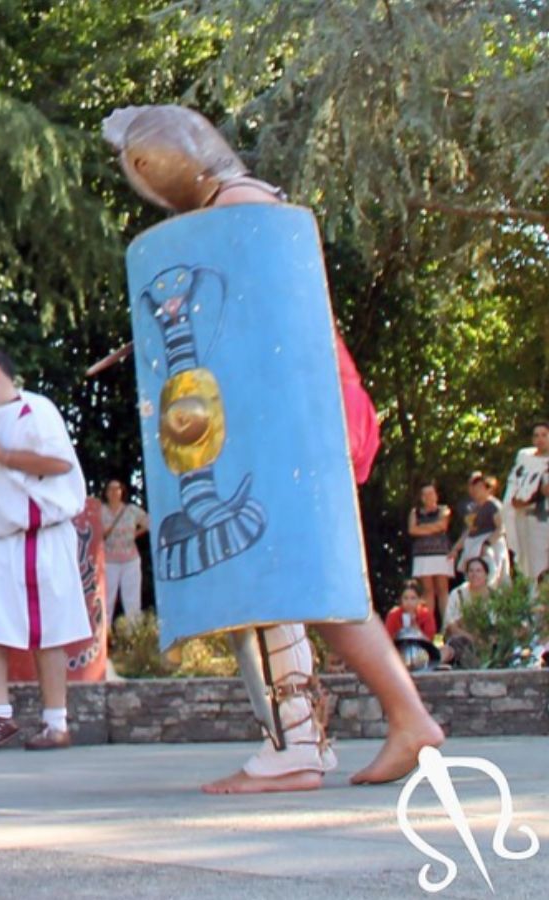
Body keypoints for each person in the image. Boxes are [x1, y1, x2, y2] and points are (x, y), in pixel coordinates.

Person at [103, 105, 443, 793]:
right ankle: (315, 737)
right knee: (294, 575)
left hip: (305, 410)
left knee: (288, 574)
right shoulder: (249, 202)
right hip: (316, 402)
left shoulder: (239, 208)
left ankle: (329, 736)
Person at [0, 342, 90, 752]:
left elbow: (59, 464)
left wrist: (5, 453)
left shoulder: (37, 409)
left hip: (38, 535)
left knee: (48, 628)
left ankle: (56, 723)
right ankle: (0, 717)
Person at [504, 422, 549, 586]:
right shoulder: (525, 461)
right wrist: (534, 495)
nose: (540, 439)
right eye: (536, 435)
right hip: (534, 520)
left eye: (544, 434)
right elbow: (515, 494)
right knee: (536, 568)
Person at [100, 478, 150, 624]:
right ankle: (105, 634)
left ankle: (134, 635)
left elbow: (148, 523)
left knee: (132, 599)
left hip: (130, 560)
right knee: (107, 599)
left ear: (122, 492)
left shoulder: (131, 510)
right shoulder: (101, 511)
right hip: (109, 561)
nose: (114, 492)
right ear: (106, 493)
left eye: (117, 489)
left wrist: (134, 534)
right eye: (111, 489)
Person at [451, 473, 509, 587]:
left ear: (488, 489)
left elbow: (501, 527)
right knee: (472, 577)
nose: (476, 490)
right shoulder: (473, 507)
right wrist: (455, 548)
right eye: (475, 487)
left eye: (480, 487)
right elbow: (469, 530)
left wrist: (487, 544)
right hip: (473, 544)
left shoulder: (493, 505)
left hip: (490, 545)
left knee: (494, 577)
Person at [407, 481, 452, 626]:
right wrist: (433, 528)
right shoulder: (415, 512)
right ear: (422, 497)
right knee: (428, 591)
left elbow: (442, 525)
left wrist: (423, 528)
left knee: (443, 590)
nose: (429, 496)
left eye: (431, 493)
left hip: (440, 554)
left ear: (436, 495)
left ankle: (447, 626)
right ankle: (428, 626)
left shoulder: (444, 510)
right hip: (422, 555)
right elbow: (412, 530)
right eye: (425, 494)